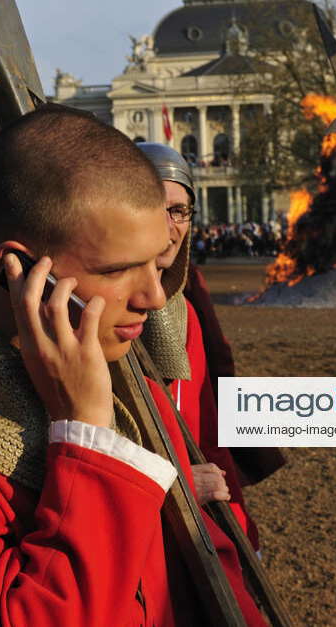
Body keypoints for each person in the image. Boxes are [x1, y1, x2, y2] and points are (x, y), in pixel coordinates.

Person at [0, 105, 266, 625]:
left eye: (156, 262)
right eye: (120, 270)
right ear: (20, 265)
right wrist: (85, 431)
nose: (154, 296)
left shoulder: (120, 370)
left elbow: (198, 570)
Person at [136, 142, 260, 547]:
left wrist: (243, 530)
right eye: (157, 207)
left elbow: (206, 434)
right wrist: (179, 483)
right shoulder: (90, 312)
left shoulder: (184, 313)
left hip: (193, 531)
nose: (170, 227)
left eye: (180, 211)